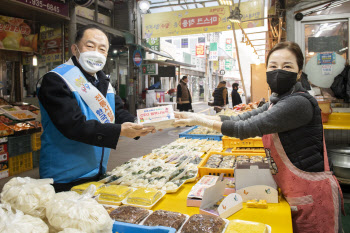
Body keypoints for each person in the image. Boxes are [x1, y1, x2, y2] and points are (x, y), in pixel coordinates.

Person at [174, 41, 344, 233]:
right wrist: (197, 117)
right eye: (273, 66)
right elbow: (242, 117)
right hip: (295, 191)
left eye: (287, 66)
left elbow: (244, 128)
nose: (279, 71)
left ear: (298, 73)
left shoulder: (298, 103)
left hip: (312, 193)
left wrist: (197, 118)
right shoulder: (277, 101)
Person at [37, 24, 155, 192]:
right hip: (64, 176)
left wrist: (139, 123)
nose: (96, 53)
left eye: (102, 49)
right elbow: (73, 125)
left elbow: (117, 112)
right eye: (90, 46)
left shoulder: (104, 82)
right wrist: (120, 131)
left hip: (97, 170)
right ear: (75, 49)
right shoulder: (56, 80)